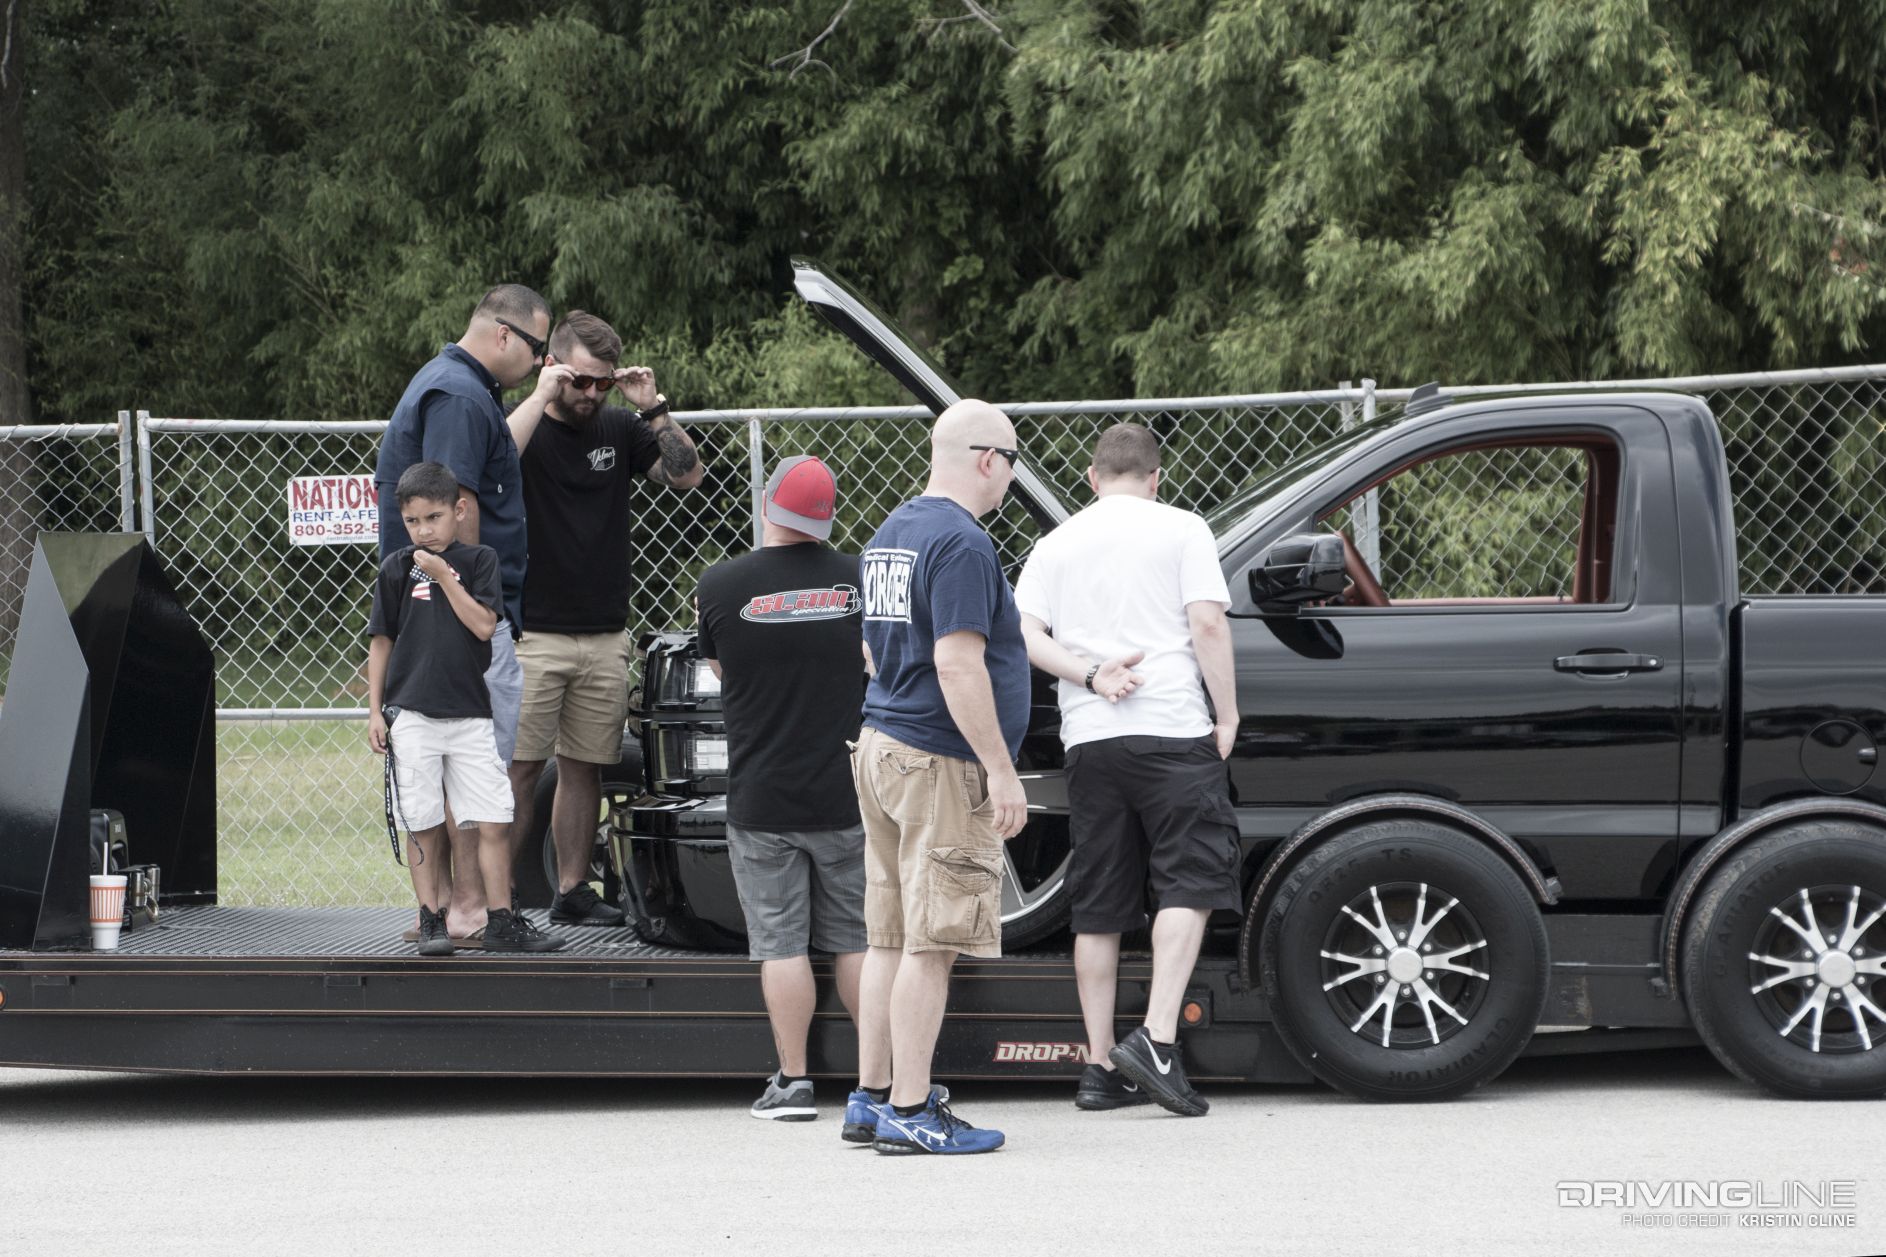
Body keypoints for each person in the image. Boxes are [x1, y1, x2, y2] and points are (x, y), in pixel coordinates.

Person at [1013, 422, 1239, 1117]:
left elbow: (1023, 635)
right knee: (1190, 877)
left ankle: (1098, 1065)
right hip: (1171, 727)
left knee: (1101, 902)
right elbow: (1207, 623)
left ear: (1091, 477)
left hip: (1091, 739)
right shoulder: (1183, 528)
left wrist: (1086, 672)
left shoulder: (1055, 544)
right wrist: (1225, 714)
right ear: (1156, 477)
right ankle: (1159, 1041)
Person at [848, 399, 1034, 1157]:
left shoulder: (894, 530)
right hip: (937, 759)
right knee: (933, 941)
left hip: (882, 743)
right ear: (988, 459)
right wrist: (1000, 769)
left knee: (888, 935)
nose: (1010, 481)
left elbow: (871, 650)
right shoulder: (962, 542)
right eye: (1013, 464)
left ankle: (869, 1097)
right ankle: (913, 1107)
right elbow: (958, 661)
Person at [374, 283, 561, 948]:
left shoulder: (462, 386)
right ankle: (467, 912)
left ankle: (460, 909)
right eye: (540, 349)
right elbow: (455, 510)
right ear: (505, 335)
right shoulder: (458, 394)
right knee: (472, 764)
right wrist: (472, 603)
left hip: (444, 614)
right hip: (458, 618)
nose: (542, 364)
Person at [504, 310, 703, 927]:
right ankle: (490, 902)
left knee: (585, 764)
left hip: (604, 630)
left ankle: (570, 890)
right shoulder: (524, 425)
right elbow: (489, 467)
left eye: (603, 382)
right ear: (551, 366)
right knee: (519, 768)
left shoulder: (619, 427)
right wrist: (539, 395)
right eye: (580, 380)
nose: (592, 393)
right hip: (531, 630)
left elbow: (687, 477)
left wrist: (653, 408)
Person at [695, 455, 868, 1121]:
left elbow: (720, 663)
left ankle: (794, 1082)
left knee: (781, 942)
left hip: (762, 796)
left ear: (770, 505)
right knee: (856, 939)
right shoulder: (859, 580)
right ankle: (877, 1078)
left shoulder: (720, 583)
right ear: (827, 517)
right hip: (846, 793)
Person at [365, 462, 561, 954]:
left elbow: (481, 627)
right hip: (412, 713)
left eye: (433, 518)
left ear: (459, 510)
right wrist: (374, 711)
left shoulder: (479, 561)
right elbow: (381, 642)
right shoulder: (395, 568)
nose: (424, 530)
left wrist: (444, 577)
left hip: (471, 713)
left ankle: (501, 919)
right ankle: (432, 918)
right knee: (423, 819)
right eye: (413, 522)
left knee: (492, 818)